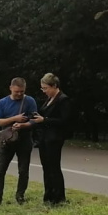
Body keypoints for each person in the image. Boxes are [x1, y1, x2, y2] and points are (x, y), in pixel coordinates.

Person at [0, 77, 39, 207]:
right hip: (7, 140)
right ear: (10, 88)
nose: (19, 94)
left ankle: (20, 195)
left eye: (22, 92)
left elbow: (35, 120)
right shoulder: (2, 102)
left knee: (23, 170)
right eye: (17, 91)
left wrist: (24, 125)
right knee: (0, 171)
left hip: (24, 140)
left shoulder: (30, 101)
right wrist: (14, 119)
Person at [31, 73, 71, 206]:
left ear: (54, 86)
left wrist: (45, 120)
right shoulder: (49, 99)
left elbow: (65, 121)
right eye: (42, 88)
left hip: (55, 138)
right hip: (44, 138)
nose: (44, 91)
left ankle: (59, 197)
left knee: (54, 168)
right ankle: (48, 195)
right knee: (46, 167)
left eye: (45, 88)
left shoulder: (63, 99)